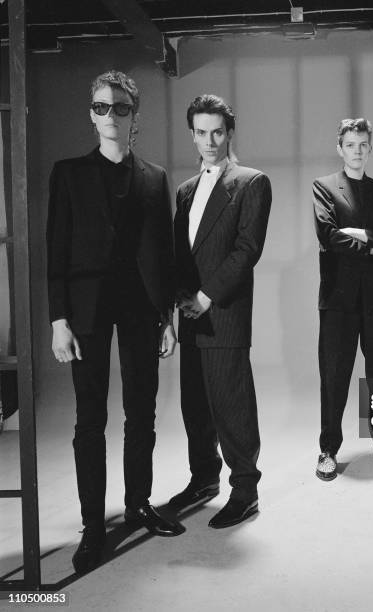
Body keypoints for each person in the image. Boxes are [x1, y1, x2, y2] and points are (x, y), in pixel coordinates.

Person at [47, 70, 182, 574]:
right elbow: (54, 248)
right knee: (89, 419)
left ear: (134, 116)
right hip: (86, 311)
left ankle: (140, 504)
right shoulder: (68, 173)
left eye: (119, 108)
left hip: (142, 308)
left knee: (141, 413)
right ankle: (92, 527)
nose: (110, 115)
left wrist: (167, 316)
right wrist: (59, 319)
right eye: (101, 107)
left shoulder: (154, 176)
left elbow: (165, 254)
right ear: (91, 114)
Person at [169, 94, 272, 528]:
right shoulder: (185, 190)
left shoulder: (252, 182)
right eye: (201, 132)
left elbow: (247, 250)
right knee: (195, 405)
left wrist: (206, 296)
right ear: (192, 134)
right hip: (189, 314)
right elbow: (178, 255)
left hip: (223, 312)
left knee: (232, 406)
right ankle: (203, 479)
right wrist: (178, 302)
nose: (209, 141)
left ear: (229, 133)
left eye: (217, 132)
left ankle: (245, 490)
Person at [312, 118, 373, 481]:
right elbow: (328, 236)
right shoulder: (324, 187)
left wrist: (357, 234)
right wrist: (368, 241)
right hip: (338, 300)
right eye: (351, 145)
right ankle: (328, 449)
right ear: (339, 148)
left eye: (363, 145)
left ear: (369, 148)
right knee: (335, 376)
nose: (357, 151)